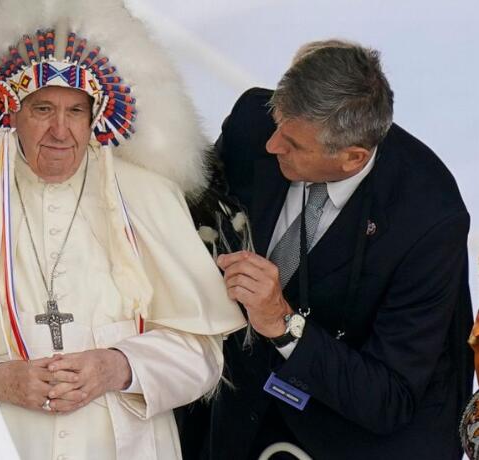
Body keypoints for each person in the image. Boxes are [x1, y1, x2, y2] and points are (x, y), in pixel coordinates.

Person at [0, 0, 246, 458]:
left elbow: (201, 353)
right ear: (12, 110)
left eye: (75, 110)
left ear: (96, 114)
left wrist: (118, 367)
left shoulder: (149, 195)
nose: (60, 131)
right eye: (42, 109)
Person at [186, 39, 472, 459]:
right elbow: (195, 220)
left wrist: (283, 323)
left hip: (357, 434)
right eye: (277, 124)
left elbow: (390, 397)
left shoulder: (428, 219)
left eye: (294, 144)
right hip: (242, 403)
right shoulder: (254, 122)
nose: (272, 145)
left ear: (353, 158)